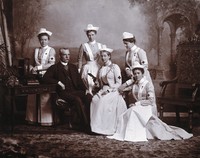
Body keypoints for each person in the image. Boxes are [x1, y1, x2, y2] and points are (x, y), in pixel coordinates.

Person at [108, 63, 193, 142]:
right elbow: (120, 89)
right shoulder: (134, 84)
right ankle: (130, 132)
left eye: (138, 73)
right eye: (135, 73)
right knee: (126, 114)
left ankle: (135, 134)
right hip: (138, 107)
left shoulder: (147, 84)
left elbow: (151, 100)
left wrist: (137, 104)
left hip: (147, 107)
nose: (137, 75)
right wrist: (130, 81)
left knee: (133, 111)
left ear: (142, 74)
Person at [42, 48, 90, 130]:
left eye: (68, 54)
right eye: (65, 55)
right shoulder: (54, 67)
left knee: (89, 97)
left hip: (74, 91)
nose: (67, 57)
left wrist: (86, 90)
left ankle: (92, 122)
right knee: (77, 99)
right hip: (63, 93)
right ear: (60, 56)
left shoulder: (73, 67)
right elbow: (45, 78)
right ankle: (85, 126)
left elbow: (79, 81)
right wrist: (58, 82)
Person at [90, 45, 127, 135]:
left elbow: (119, 83)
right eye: (102, 56)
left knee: (103, 101)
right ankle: (96, 127)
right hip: (103, 90)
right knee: (94, 100)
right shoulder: (101, 69)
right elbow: (100, 83)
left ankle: (105, 128)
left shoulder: (115, 67)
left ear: (109, 56)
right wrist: (96, 84)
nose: (103, 58)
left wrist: (110, 90)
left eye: (105, 56)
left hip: (113, 91)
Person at [26, 28, 56, 126]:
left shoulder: (51, 50)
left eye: (45, 39)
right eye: (41, 39)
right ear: (39, 40)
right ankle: (32, 119)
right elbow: (30, 64)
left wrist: (38, 67)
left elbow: (51, 64)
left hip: (46, 76)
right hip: (35, 76)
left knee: (44, 96)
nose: (43, 42)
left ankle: (45, 121)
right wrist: (31, 69)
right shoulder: (35, 50)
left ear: (48, 40)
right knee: (32, 95)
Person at [77, 24, 103, 96]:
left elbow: (103, 58)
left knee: (98, 84)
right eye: (89, 35)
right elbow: (79, 59)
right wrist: (79, 70)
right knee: (89, 84)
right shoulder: (83, 45)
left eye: (92, 34)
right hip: (87, 68)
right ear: (87, 35)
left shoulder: (100, 45)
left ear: (95, 34)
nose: (91, 37)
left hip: (97, 67)